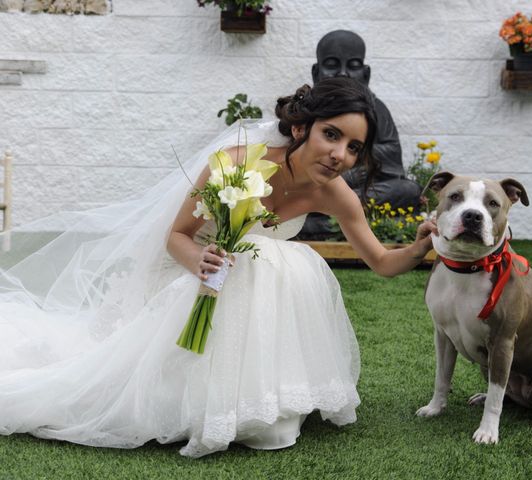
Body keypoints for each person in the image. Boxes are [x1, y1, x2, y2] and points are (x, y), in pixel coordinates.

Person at [0, 77, 434, 458]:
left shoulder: (336, 194)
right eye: (331, 135)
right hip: (187, 277)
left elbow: (381, 261)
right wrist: (200, 261)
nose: (339, 154)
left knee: (280, 263)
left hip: (245, 295)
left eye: (353, 147)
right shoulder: (237, 162)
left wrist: (419, 248)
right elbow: (177, 236)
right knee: (258, 264)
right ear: (301, 128)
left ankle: (254, 393)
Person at [299, 30, 422, 239]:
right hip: (322, 180)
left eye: (353, 66)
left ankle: (332, 212)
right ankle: (341, 212)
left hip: (362, 182)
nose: (344, 73)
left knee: (409, 190)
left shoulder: (376, 109)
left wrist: (361, 161)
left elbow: (392, 152)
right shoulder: (308, 107)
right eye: (332, 65)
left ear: (366, 74)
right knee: (306, 190)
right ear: (316, 72)